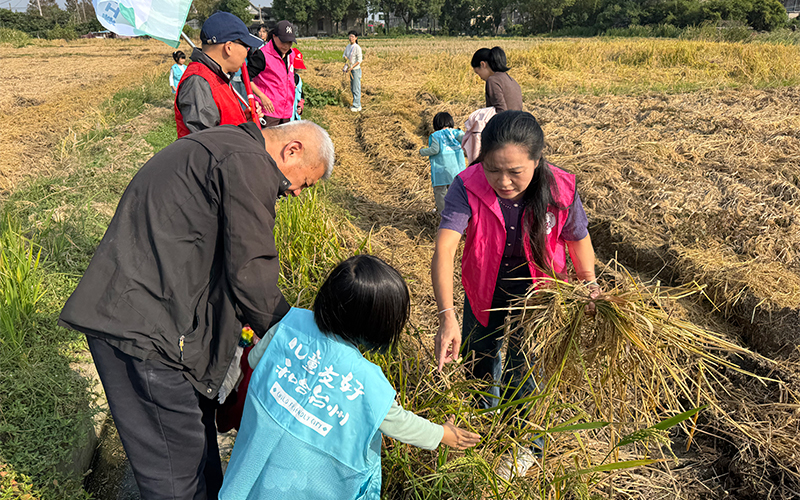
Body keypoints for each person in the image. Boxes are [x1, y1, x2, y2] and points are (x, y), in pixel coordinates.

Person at [58, 119, 336, 500]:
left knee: (200, 454)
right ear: (293, 150)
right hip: (144, 331)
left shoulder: (229, 146)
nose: (298, 193)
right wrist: (296, 335)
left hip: (153, 316)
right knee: (176, 475)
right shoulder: (248, 161)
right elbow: (250, 268)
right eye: (306, 182)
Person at [219, 255, 481, 499]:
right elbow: (401, 424)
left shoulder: (289, 324)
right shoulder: (368, 383)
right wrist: (443, 434)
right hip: (305, 485)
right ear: (379, 326)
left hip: (250, 473)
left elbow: (254, 361)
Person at [431, 111, 598, 479]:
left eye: (515, 172)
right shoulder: (467, 185)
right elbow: (444, 250)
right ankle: (479, 429)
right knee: (480, 357)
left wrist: (589, 283)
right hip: (484, 286)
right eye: (493, 169)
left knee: (526, 367)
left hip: (541, 293)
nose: (503, 181)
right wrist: (447, 315)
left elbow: (577, 238)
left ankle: (524, 445)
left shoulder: (560, 189)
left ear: (537, 162)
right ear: (481, 158)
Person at [174, 11, 263, 138]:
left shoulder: (218, 76)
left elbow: (220, 128)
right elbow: (207, 144)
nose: (247, 54)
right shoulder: (198, 81)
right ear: (229, 47)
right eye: (246, 47)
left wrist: (243, 122)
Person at [248, 20, 297, 127]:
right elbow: (246, 78)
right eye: (283, 41)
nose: (286, 46)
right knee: (268, 141)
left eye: (289, 42)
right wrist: (262, 96)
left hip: (286, 110)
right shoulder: (262, 55)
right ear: (274, 37)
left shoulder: (291, 54)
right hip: (268, 111)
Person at [419, 111, 466, 213]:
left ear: (436, 124)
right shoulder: (456, 132)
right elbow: (466, 140)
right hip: (457, 169)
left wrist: (422, 151)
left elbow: (434, 150)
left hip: (441, 170)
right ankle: (457, 212)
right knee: (455, 191)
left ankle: (443, 213)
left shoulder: (436, 135)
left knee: (440, 192)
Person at [471, 47, 523, 114]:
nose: (480, 77)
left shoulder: (492, 80)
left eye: (478, 73)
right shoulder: (511, 80)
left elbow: (501, 111)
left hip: (505, 122)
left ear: (483, 64)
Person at [343, 31, 363, 112]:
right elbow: (344, 55)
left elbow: (359, 60)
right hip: (350, 69)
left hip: (355, 70)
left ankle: (357, 105)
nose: (351, 38)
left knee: (356, 88)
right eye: (350, 36)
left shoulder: (357, 47)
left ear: (356, 38)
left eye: (352, 36)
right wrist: (346, 59)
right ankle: (356, 104)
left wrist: (352, 66)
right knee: (352, 87)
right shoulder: (348, 46)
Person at [291, 47, 306, 121]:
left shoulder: (298, 79)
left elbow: (302, 96)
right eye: (294, 68)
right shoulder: (283, 78)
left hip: (295, 118)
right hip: (286, 118)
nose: (296, 70)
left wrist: (300, 107)